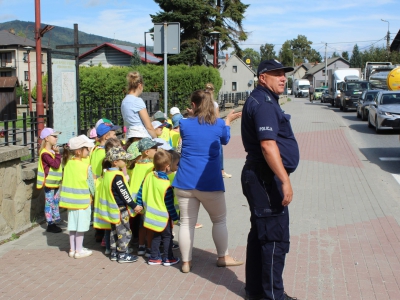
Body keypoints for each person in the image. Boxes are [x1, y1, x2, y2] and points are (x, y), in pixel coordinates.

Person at [241, 59, 300, 300]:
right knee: (274, 238)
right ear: (262, 78)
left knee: (260, 234)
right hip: (265, 177)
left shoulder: (262, 99)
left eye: (284, 74)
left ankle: (256, 291)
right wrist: (284, 179)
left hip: (259, 174)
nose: (283, 77)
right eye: (276, 73)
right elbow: (267, 145)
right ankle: (273, 296)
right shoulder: (264, 103)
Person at [172, 89, 242, 273]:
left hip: (184, 181)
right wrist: (227, 122)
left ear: (193, 105)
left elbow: (189, 128)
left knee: (186, 222)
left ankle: (186, 263)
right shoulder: (218, 124)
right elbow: (225, 139)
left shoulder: (184, 124)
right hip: (209, 182)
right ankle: (222, 257)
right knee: (219, 221)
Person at [98, 146, 143, 263]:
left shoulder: (107, 173)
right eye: (123, 159)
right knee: (124, 232)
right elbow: (124, 193)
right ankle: (123, 254)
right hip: (120, 209)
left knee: (114, 232)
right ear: (116, 162)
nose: (126, 161)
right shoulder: (117, 176)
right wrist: (134, 206)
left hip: (112, 209)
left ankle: (114, 252)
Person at [136, 150, 180, 266]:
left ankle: (154, 257)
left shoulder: (149, 176)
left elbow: (141, 190)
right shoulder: (166, 185)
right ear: (167, 167)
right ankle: (168, 257)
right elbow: (169, 205)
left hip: (150, 214)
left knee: (156, 236)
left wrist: (139, 203)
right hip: (163, 216)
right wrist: (175, 217)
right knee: (167, 236)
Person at [59, 136, 95, 259]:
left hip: (70, 202)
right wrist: (94, 195)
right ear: (79, 150)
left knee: (73, 226)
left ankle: (72, 249)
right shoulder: (86, 167)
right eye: (87, 149)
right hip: (83, 202)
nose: (89, 151)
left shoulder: (68, 164)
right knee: (81, 227)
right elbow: (91, 184)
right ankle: (79, 251)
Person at [130, 137, 162, 257]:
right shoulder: (150, 167)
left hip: (137, 201)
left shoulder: (136, 165)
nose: (157, 150)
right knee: (148, 225)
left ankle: (141, 246)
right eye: (155, 149)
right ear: (147, 152)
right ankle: (149, 248)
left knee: (141, 225)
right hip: (147, 200)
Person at [36, 128, 63, 233]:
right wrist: (57, 154)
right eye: (54, 136)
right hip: (49, 183)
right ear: (47, 138)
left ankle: (56, 219)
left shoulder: (51, 151)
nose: (56, 138)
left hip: (55, 183)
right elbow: (55, 164)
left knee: (55, 202)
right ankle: (50, 223)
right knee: (49, 202)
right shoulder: (45, 153)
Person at [205, 82, 232, 178]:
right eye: (206, 89)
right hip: (206, 127)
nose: (207, 91)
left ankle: (221, 170)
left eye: (209, 89)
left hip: (212, 126)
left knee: (219, 149)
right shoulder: (203, 103)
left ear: (212, 91)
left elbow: (217, 117)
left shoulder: (214, 104)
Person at [121, 71, 157, 139]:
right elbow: (149, 127)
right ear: (140, 85)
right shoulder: (137, 101)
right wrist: (156, 138)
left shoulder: (124, 101)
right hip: (141, 136)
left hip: (130, 136)